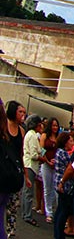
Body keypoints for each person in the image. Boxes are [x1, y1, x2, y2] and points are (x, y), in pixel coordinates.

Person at [0, 98, 24, 239]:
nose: (23, 115)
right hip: (8, 174)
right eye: (20, 111)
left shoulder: (20, 131)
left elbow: (20, 155)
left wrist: (24, 173)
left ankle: (11, 230)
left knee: (10, 209)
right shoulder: (5, 128)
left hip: (8, 174)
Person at [22, 115, 44, 227]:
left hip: (29, 165)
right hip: (30, 165)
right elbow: (34, 155)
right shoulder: (32, 136)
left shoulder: (31, 135)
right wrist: (42, 158)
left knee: (27, 191)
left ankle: (25, 213)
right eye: (40, 124)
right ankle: (27, 215)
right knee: (28, 192)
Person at [40, 117, 59, 223]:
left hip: (56, 166)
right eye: (53, 125)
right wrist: (47, 161)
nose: (55, 127)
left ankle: (54, 210)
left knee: (55, 189)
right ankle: (49, 213)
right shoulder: (44, 136)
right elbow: (41, 150)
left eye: (56, 125)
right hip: (46, 165)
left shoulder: (58, 137)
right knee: (47, 188)